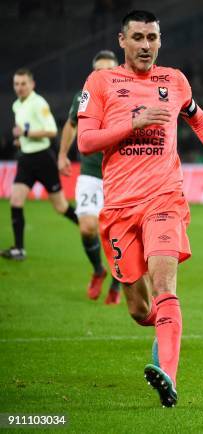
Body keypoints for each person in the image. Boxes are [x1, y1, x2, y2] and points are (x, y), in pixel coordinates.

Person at [77, 10, 203, 407]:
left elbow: (199, 120)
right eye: (137, 37)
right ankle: (165, 331)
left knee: (165, 286)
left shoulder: (174, 80)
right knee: (139, 309)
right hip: (119, 207)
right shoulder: (101, 82)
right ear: (122, 40)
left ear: (160, 39)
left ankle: (168, 375)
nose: (146, 45)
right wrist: (133, 124)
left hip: (164, 198)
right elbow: (86, 142)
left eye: (152, 38)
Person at [58, 50, 122, 304]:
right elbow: (72, 124)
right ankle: (98, 270)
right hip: (91, 173)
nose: (103, 74)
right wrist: (62, 154)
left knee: (120, 235)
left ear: (118, 71)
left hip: (120, 175)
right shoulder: (84, 97)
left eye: (109, 70)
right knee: (87, 228)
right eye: (99, 70)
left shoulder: (128, 97)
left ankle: (118, 284)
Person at [2, 68, 79, 260]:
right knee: (16, 201)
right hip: (25, 159)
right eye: (16, 84)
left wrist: (25, 135)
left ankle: (89, 226)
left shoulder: (39, 103)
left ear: (32, 84)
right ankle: (19, 249)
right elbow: (27, 131)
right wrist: (22, 141)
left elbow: (52, 131)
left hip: (43, 159)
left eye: (23, 83)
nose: (19, 88)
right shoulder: (16, 105)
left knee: (61, 206)